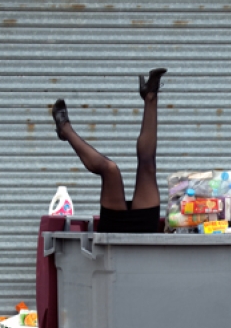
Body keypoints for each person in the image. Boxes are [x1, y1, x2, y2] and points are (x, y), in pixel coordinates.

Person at [51, 68, 167, 233]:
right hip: (139, 226)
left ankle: (65, 130)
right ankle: (151, 97)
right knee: (134, 166)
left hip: (121, 231)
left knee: (117, 169)